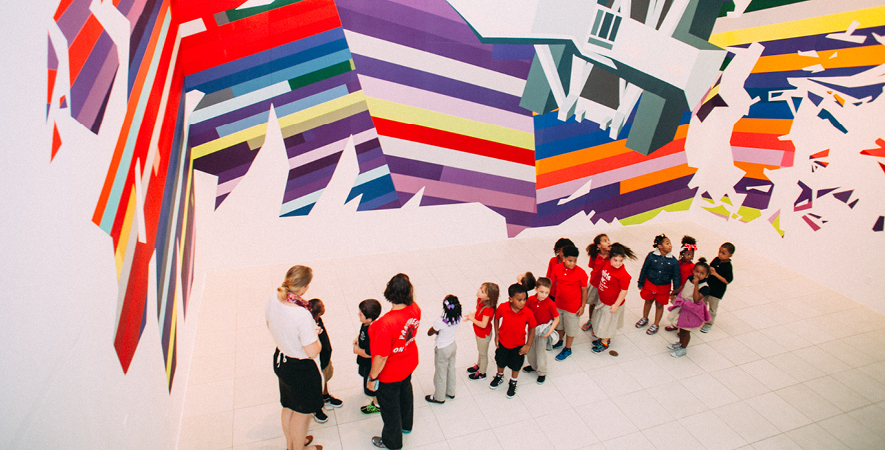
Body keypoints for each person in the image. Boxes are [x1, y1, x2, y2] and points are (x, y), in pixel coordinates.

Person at [265, 265, 323, 450]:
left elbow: (269, 324)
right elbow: (313, 351)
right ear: (305, 287)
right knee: (302, 412)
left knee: (288, 405)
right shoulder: (301, 314)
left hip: (281, 360)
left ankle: (291, 445)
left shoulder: (274, 298)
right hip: (300, 369)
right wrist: (316, 335)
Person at [369, 274, 421, 450]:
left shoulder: (386, 323)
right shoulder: (415, 309)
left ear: (389, 292)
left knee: (390, 409)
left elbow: (381, 356)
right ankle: (407, 425)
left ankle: (392, 442)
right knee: (406, 393)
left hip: (390, 373)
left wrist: (372, 377)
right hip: (409, 362)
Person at [490, 284, 537, 398]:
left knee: (516, 365)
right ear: (510, 299)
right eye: (519, 300)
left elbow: (532, 328)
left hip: (518, 345)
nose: (523, 302)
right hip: (503, 342)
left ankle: (513, 381)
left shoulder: (528, 312)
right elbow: (496, 318)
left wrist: (528, 345)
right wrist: (496, 335)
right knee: (500, 361)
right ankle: (499, 375)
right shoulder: (503, 307)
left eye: (524, 299)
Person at [590, 243, 637, 353]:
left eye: (620, 261)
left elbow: (623, 291)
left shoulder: (623, 275)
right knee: (601, 322)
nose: (618, 263)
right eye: (615, 260)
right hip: (603, 301)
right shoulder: (607, 264)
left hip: (611, 304)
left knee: (606, 324)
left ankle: (604, 342)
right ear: (610, 258)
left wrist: (616, 305)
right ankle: (603, 338)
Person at [635, 234, 681, 335]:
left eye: (670, 243)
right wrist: (640, 282)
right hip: (650, 284)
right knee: (648, 301)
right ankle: (645, 318)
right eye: (667, 243)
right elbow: (644, 269)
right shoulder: (651, 256)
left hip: (664, 287)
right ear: (659, 246)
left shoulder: (673, 261)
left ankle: (656, 324)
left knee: (659, 305)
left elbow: (676, 276)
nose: (670, 245)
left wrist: (675, 291)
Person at [550, 246, 589, 361]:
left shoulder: (581, 273)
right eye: (570, 261)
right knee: (560, 325)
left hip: (573, 308)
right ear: (564, 259)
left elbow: (584, 290)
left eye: (575, 261)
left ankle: (567, 348)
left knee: (571, 328)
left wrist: (582, 306)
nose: (572, 264)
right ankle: (559, 340)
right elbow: (553, 284)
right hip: (559, 304)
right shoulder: (557, 269)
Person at [667, 259, 712, 357]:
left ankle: (683, 349)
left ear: (707, 275)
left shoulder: (705, 287)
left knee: (686, 330)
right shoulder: (689, 278)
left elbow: (696, 299)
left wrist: (696, 285)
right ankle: (680, 343)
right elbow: (684, 286)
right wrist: (675, 292)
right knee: (681, 328)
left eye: (702, 273)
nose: (698, 275)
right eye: (696, 271)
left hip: (691, 312)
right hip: (683, 308)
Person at [307, 299, 342, 423]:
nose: (325, 307)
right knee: (316, 384)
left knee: (325, 378)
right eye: (323, 306)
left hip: (325, 358)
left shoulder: (318, 320)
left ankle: (325, 396)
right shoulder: (309, 326)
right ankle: (316, 408)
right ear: (317, 312)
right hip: (316, 360)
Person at [425, 295, 461, 404]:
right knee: (451, 369)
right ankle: (451, 391)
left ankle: (439, 397)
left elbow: (429, 332)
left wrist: (436, 331)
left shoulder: (441, 321)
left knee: (440, 374)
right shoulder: (458, 317)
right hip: (452, 346)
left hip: (442, 349)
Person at [522, 277, 559, 384]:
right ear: (536, 289)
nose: (543, 295)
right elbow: (526, 313)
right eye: (541, 292)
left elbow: (557, 318)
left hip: (543, 332)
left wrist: (550, 330)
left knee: (540, 352)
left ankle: (542, 372)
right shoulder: (530, 300)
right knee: (531, 350)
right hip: (531, 330)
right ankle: (533, 366)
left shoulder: (550, 303)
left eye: (546, 293)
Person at [464, 282, 500, 380]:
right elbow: (478, 312)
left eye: (482, 291)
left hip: (483, 335)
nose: (479, 290)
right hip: (478, 332)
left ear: (488, 298)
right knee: (480, 351)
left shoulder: (488, 309)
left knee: (483, 354)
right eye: (480, 288)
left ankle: (482, 372)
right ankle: (479, 366)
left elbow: (483, 325)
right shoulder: (480, 300)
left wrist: (472, 319)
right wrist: (472, 316)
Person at [353, 299, 382, 414]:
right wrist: (358, 338)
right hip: (363, 362)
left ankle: (376, 404)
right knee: (362, 374)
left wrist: (357, 351)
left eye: (361, 314)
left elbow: (370, 353)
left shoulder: (372, 331)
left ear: (369, 319)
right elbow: (362, 333)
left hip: (369, 364)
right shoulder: (366, 324)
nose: (358, 315)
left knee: (371, 386)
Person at [701, 243, 735, 333]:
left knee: (712, 308)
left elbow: (727, 281)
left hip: (717, 291)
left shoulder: (728, 267)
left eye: (723, 253)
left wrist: (715, 274)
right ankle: (700, 317)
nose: (720, 254)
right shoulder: (716, 260)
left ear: (730, 255)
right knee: (702, 303)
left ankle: (708, 324)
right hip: (707, 287)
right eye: (719, 252)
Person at [667, 236, 697, 331]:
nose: (690, 257)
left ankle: (683, 327)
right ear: (682, 253)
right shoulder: (677, 263)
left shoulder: (693, 266)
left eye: (692, 255)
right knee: (677, 307)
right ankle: (675, 324)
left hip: (687, 292)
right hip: (678, 290)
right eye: (688, 254)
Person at [582, 233, 611, 332]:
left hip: (606, 286)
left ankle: (597, 323)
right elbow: (591, 266)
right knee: (592, 303)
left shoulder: (611, 257)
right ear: (598, 246)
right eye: (605, 241)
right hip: (594, 284)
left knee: (601, 306)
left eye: (608, 240)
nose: (608, 242)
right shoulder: (595, 256)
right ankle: (591, 320)